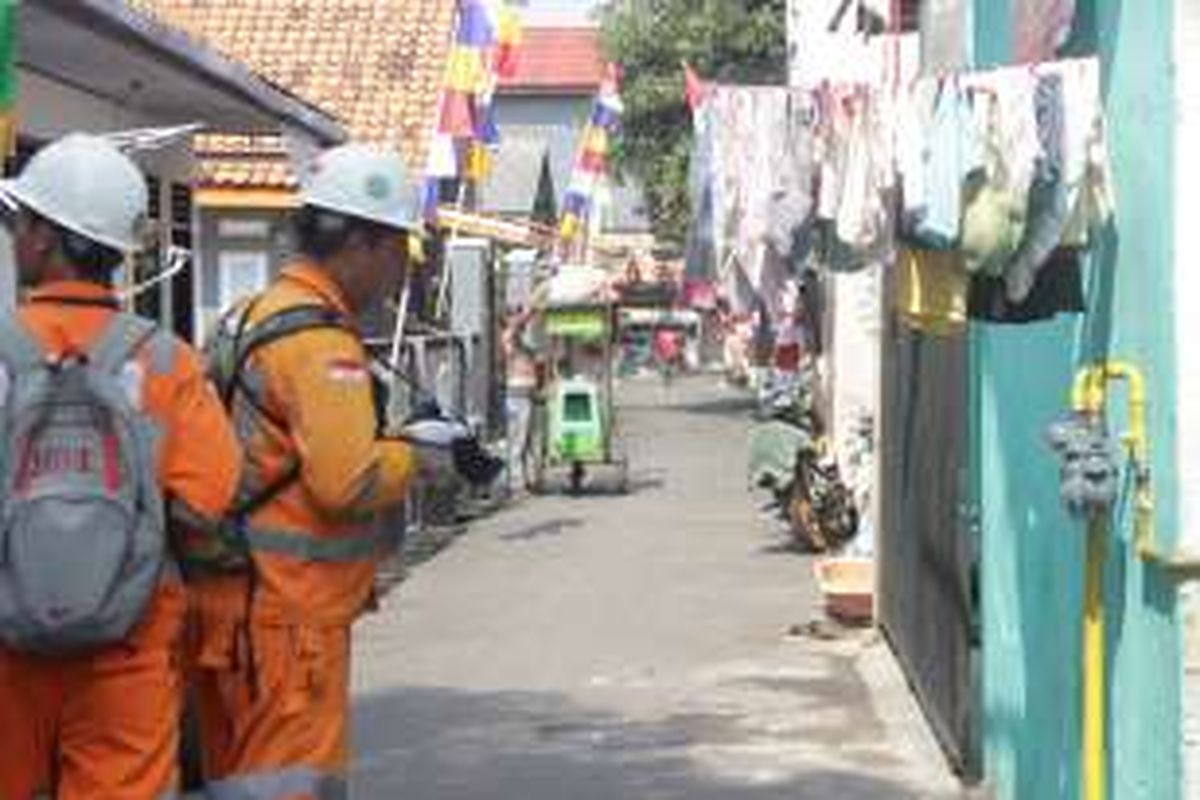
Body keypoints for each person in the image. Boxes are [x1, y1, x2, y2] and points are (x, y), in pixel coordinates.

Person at [187, 143, 453, 799]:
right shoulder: (321, 347)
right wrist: (420, 455)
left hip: (230, 608)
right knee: (286, 785)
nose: (399, 274)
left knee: (236, 783)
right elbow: (348, 481)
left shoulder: (248, 318)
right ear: (361, 243)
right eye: (397, 253)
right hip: (289, 624)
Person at [0, 133, 242, 798]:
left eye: (21, 222)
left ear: (48, 237)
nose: (16, 236)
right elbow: (203, 508)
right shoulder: (167, 362)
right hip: (126, 653)